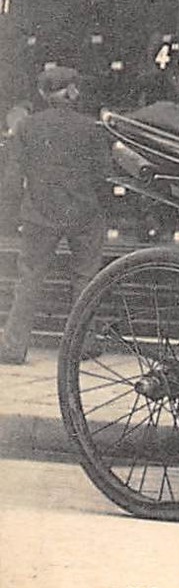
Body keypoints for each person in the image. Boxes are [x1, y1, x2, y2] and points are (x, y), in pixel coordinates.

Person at [0, 66, 113, 364]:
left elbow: (12, 178)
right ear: (73, 92)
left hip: (39, 212)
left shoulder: (26, 127)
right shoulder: (91, 128)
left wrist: (12, 214)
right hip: (84, 213)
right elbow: (104, 176)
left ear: (42, 94)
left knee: (29, 278)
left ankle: (13, 346)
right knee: (86, 278)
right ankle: (83, 344)